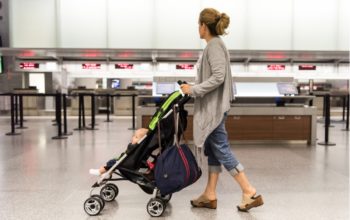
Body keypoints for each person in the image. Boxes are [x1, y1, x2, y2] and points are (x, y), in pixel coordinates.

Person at [180, 8, 264, 212]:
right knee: (214, 150)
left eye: (198, 25)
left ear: (203, 25)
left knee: (221, 148)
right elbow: (213, 76)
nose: (197, 29)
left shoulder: (214, 45)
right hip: (213, 107)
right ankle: (210, 194)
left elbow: (218, 77)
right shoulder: (214, 45)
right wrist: (193, 86)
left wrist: (193, 90)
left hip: (214, 110)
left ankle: (249, 191)